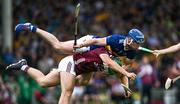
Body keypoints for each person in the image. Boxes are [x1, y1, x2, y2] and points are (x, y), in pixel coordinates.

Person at [6, 47, 136, 104]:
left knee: (43, 82)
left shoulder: (117, 66)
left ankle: (23, 66)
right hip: (71, 63)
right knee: (67, 91)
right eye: (126, 63)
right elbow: (118, 69)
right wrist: (126, 73)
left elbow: (121, 75)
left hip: (81, 70)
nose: (125, 66)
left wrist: (126, 89)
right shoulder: (106, 54)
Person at [15, 23, 145, 59]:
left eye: (139, 43)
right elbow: (95, 42)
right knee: (58, 47)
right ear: (129, 40)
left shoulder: (132, 53)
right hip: (90, 45)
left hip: (97, 57)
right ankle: (32, 28)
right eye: (137, 42)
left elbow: (127, 64)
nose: (138, 45)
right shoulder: (117, 39)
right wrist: (81, 45)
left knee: (83, 81)